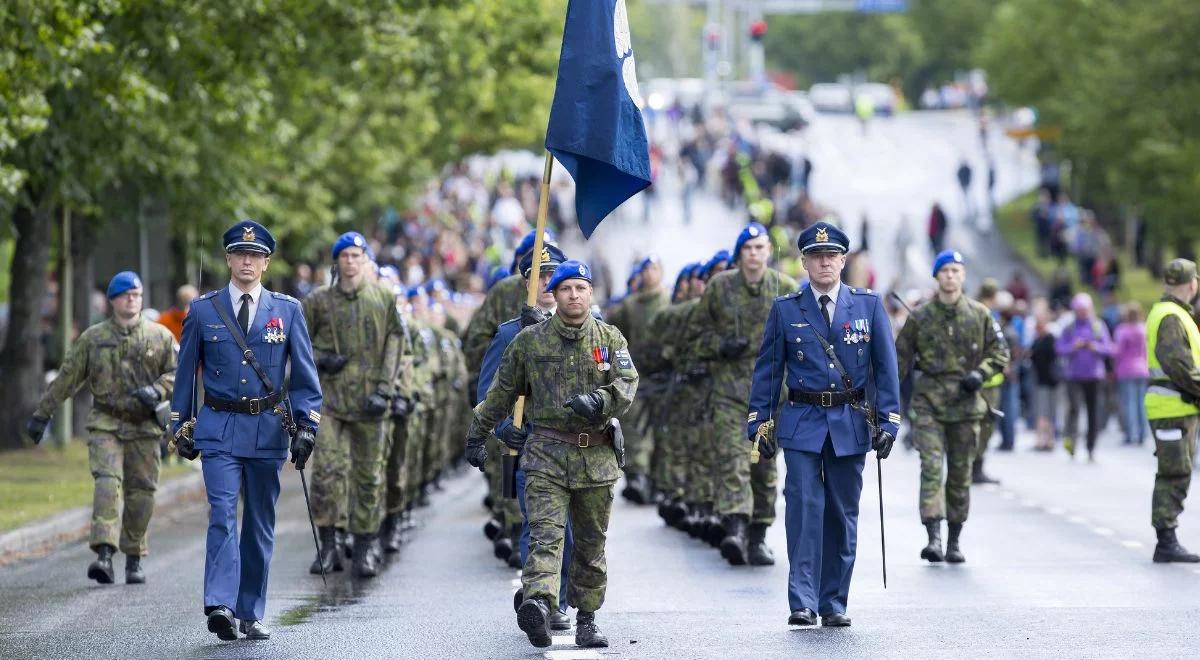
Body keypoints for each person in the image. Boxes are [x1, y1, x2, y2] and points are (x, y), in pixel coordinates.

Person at [464, 259, 637, 649]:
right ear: (554, 295)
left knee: (591, 545)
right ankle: (540, 605)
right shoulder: (530, 340)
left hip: (596, 457)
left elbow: (627, 383)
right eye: (565, 289)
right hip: (546, 455)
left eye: (580, 288)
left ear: (590, 293)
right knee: (546, 537)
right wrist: (478, 435)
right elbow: (500, 393)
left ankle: (588, 618)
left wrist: (601, 401)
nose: (573, 295)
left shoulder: (610, 339)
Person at [171, 220, 322, 641]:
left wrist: (307, 425)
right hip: (218, 428)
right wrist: (179, 424)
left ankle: (249, 611)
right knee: (222, 515)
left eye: (255, 256)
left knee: (259, 523)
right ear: (228, 259)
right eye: (240, 254)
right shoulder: (203, 310)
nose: (247, 261)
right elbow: (186, 376)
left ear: (266, 262)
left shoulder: (287, 310)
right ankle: (220, 603)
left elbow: (306, 379)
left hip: (268, 430)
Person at [747, 222, 900, 628]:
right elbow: (768, 371)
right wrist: (759, 421)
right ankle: (802, 600)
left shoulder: (867, 306)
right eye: (817, 256)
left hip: (850, 422)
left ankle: (834, 601)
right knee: (802, 509)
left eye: (832, 255)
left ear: (844, 260)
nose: (825, 262)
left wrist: (889, 421)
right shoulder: (786, 308)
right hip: (801, 422)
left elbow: (886, 370)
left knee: (841, 513)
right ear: (804, 262)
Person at [26, 271, 177, 585]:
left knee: (142, 492)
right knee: (107, 483)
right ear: (112, 301)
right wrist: (43, 414)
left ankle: (134, 556)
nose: (132, 299)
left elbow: (180, 373)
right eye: (125, 295)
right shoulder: (93, 339)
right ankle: (104, 554)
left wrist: (158, 390)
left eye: (136, 294)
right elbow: (68, 378)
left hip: (144, 426)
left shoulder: (159, 336)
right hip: (106, 423)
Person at [689, 221, 799, 567]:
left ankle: (758, 535)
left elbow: (805, 342)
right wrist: (721, 346)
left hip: (771, 395)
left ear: (769, 252)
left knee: (764, 466)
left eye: (760, 248)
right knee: (733, 459)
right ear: (739, 255)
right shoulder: (720, 288)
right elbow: (694, 338)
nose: (754, 254)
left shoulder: (787, 288)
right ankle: (735, 527)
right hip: (730, 392)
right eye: (747, 249)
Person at [478, 244, 574, 633]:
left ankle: (559, 597)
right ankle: (543, 601)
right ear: (526, 283)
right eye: (539, 276)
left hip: (576, 445)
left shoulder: (588, 325)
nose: (548, 284)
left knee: (570, 532)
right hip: (532, 447)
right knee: (537, 527)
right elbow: (487, 394)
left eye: (554, 275)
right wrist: (503, 429)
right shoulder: (510, 333)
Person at [302, 232, 405, 578]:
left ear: (365, 261)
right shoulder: (317, 302)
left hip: (370, 404)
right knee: (327, 473)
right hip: (330, 402)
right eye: (344, 255)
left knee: (368, 476)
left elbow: (395, 344)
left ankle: (365, 545)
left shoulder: (382, 299)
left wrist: (384, 390)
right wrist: (321, 359)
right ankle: (328, 543)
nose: (350, 261)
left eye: (356, 255)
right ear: (337, 262)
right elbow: (297, 347)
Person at [896, 250, 1009, 564]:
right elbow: (898, 361)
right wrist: (883, 403)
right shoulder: (920, 317)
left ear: (963, 276)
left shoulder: (980, 315)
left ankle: (955, 539)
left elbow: (1000, 353)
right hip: (929, 402)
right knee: (931, 468)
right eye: (944, 270)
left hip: (966, 403)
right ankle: (933, 536)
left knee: (959, 473)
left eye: (956, 270)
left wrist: (980, 374)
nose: (950, 276)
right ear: (936, 276)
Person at [1143, 259, 1200, 562]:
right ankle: (1166, 541)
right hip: (1172, 405)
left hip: (1175, 404)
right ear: (1192, 284)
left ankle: (1167, 538)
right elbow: (1179, 365)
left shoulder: (1169, 312)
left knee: (1177, 470)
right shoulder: (1172, 316)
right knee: (1174, 472)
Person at [605, 255, 669, 504]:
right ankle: (638, 475)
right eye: (646, 270)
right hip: (637, 374)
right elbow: (613, 331)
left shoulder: (668, 301)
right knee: (634, 426)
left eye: (654, 268)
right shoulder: (630, 306)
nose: (650, 274)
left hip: (664, 374)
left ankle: (658, 479)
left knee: (661, 427)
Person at [1055, 293, 1113, 461]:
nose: (1082, 313)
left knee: (1092, 411)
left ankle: (1090, 447)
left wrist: (1094, 347)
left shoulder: (1097, 325)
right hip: (1073, 375)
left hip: (1094, 375)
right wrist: (1073, 347)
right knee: (1073, 410)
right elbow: (1059, 348)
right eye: (1079, 310)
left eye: (1085, 310)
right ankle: (1071, 442)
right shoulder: (1069, 327)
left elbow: (1108, 348)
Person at [972, 279, 1005, 484]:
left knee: (981, 427)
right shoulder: (984, 315)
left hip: (984, 380)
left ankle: (974, 468)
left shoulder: (975, 311)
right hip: (985, 382)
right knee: (982, 428)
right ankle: (974, 468)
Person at [1114, 302, 1150, 445]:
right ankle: (1142, 434)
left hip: (1126, 369)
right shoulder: (1143, 329)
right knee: (1141, 403)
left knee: (1129, 404)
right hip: (1142, 369)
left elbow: (1118, 351)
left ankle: (1130, 434)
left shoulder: (1122, 330)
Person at [1029, 314, 1060, 451]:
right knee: (1044, 412)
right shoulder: (1039, 340)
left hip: (1049, 381)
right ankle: (1044, 439)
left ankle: (1046, 439)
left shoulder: (1049, 340)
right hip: (1043, 380)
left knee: (1046, 412)